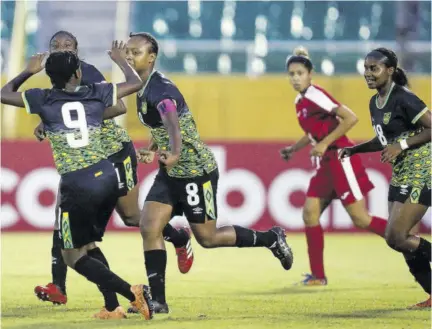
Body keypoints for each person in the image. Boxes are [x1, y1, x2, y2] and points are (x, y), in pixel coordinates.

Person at [123, 32, 294, 314]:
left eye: (135, 52)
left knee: (209, 238)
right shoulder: (143, 86)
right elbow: (162, 128)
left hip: (194, 171)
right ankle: (159, 302)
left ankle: (271, 238)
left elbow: (173, 124)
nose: (129, 56)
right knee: (148, 226)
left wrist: (175, 152)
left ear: (151, 57)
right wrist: (153, 148)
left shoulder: (160, 90)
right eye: (127, 52)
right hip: (170, 171)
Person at [33, 31, 194, 307]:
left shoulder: (87, 72)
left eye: (67, 45)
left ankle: (178, 236)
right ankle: (60, 286)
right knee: (65, 221)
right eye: (55, 45)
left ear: (77, 50)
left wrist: (77, 114)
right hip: (85, 160)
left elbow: (118, 106)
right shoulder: (57, 75)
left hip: (113, 154)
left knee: (131, 218)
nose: (61, 49)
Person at [1, 44, 153, 319]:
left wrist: (27, 70)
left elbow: (4, 94)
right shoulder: (97, 92)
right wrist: (120, 60)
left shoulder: (42, 98)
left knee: (72, 256)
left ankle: (134, 293)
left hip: (78, 184)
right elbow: (135, 82)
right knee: (89, 246)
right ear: (79, 73)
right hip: (107, 175)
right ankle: (112, 307)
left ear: (50, 77)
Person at [280, 47, 389, 286]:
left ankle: (404, 237)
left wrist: (325, 143)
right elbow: (312, 133)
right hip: (325, 163)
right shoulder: (300, 100)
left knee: (360, 219)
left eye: (300, 73)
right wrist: (293, 149)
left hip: (341, 157)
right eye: (292, 73)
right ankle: (318, 276)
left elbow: (350, 117)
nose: (295, 77)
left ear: (310, 74)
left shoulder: (316, 94)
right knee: (310, 213)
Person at [340, 48, 431, 309]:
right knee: (402, 241)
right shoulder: (375, 102)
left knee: (396, 236)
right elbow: (383, 141)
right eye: (366, 68)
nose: (368, 73)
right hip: (402, 171)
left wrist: (401, 146)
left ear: (390, 70)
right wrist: (355, 149)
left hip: (422, 169)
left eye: (374, 68)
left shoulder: (404, 98)